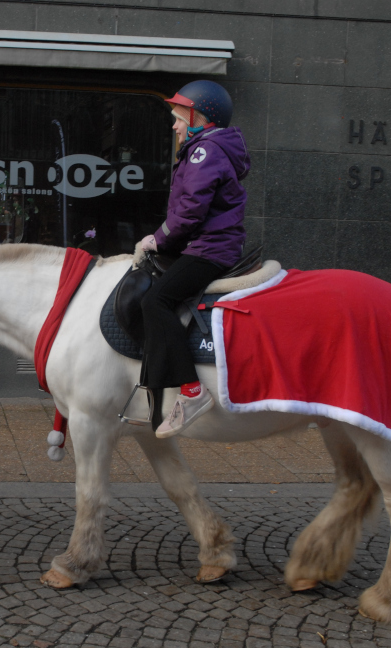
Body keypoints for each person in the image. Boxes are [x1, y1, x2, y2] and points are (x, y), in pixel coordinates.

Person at [138, 80, 251, 439]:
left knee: (156, 301)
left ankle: (192, 391)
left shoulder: (206, 151)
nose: (174, 125)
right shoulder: (207, 147)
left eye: (179, 117)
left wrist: (158, 239)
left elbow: (190, 211)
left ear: (199, 116)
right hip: (203, 245)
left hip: (208, 249)